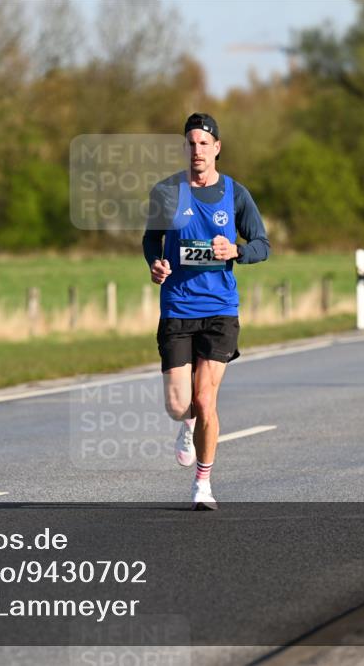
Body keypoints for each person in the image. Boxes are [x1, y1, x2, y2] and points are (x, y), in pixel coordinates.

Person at [142, 113, 269, 510]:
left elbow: (263, 244)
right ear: (185, 148)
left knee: (205, 397)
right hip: (177, 307)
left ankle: (203, 483)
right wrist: (156, 263)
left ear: (216, 148)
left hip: (219, 309)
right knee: (180, 405)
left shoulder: (235, 194)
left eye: (204, 143)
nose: (197, 150)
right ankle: (187, 424)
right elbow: (151, 240)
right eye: (190, 143)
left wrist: (237, 250)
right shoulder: (166, 192)